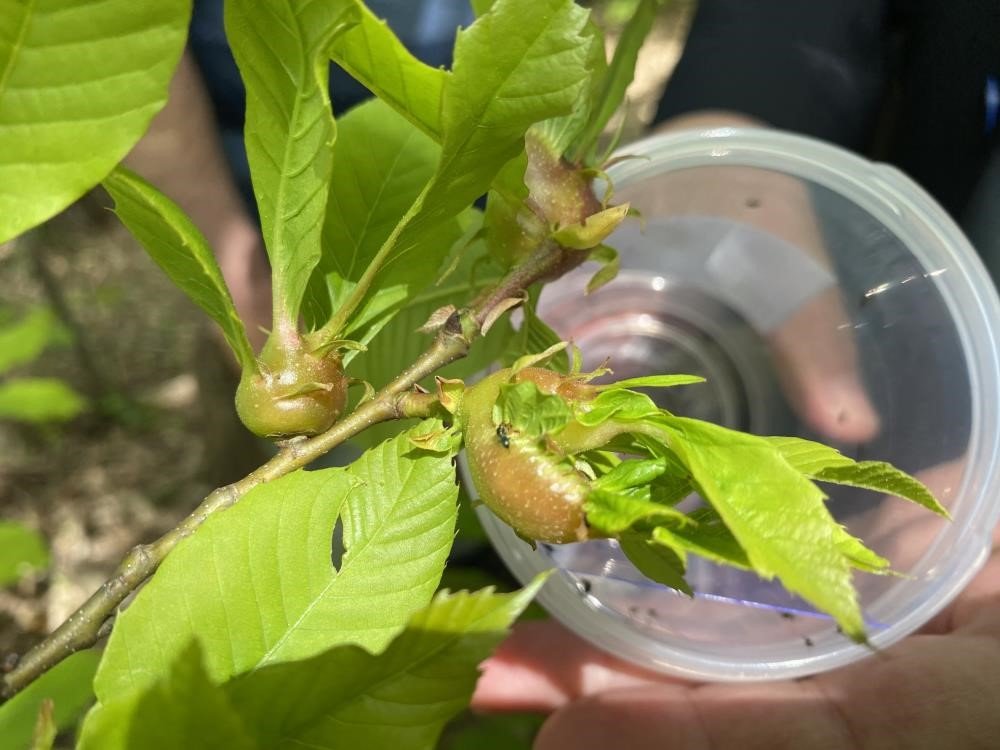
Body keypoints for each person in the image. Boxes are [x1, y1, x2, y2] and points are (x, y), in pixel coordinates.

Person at [125, 1, 1000, 746]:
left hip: (509, 260)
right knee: (305, 527)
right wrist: (237, 268)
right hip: (312, 235)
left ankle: (492, 574)